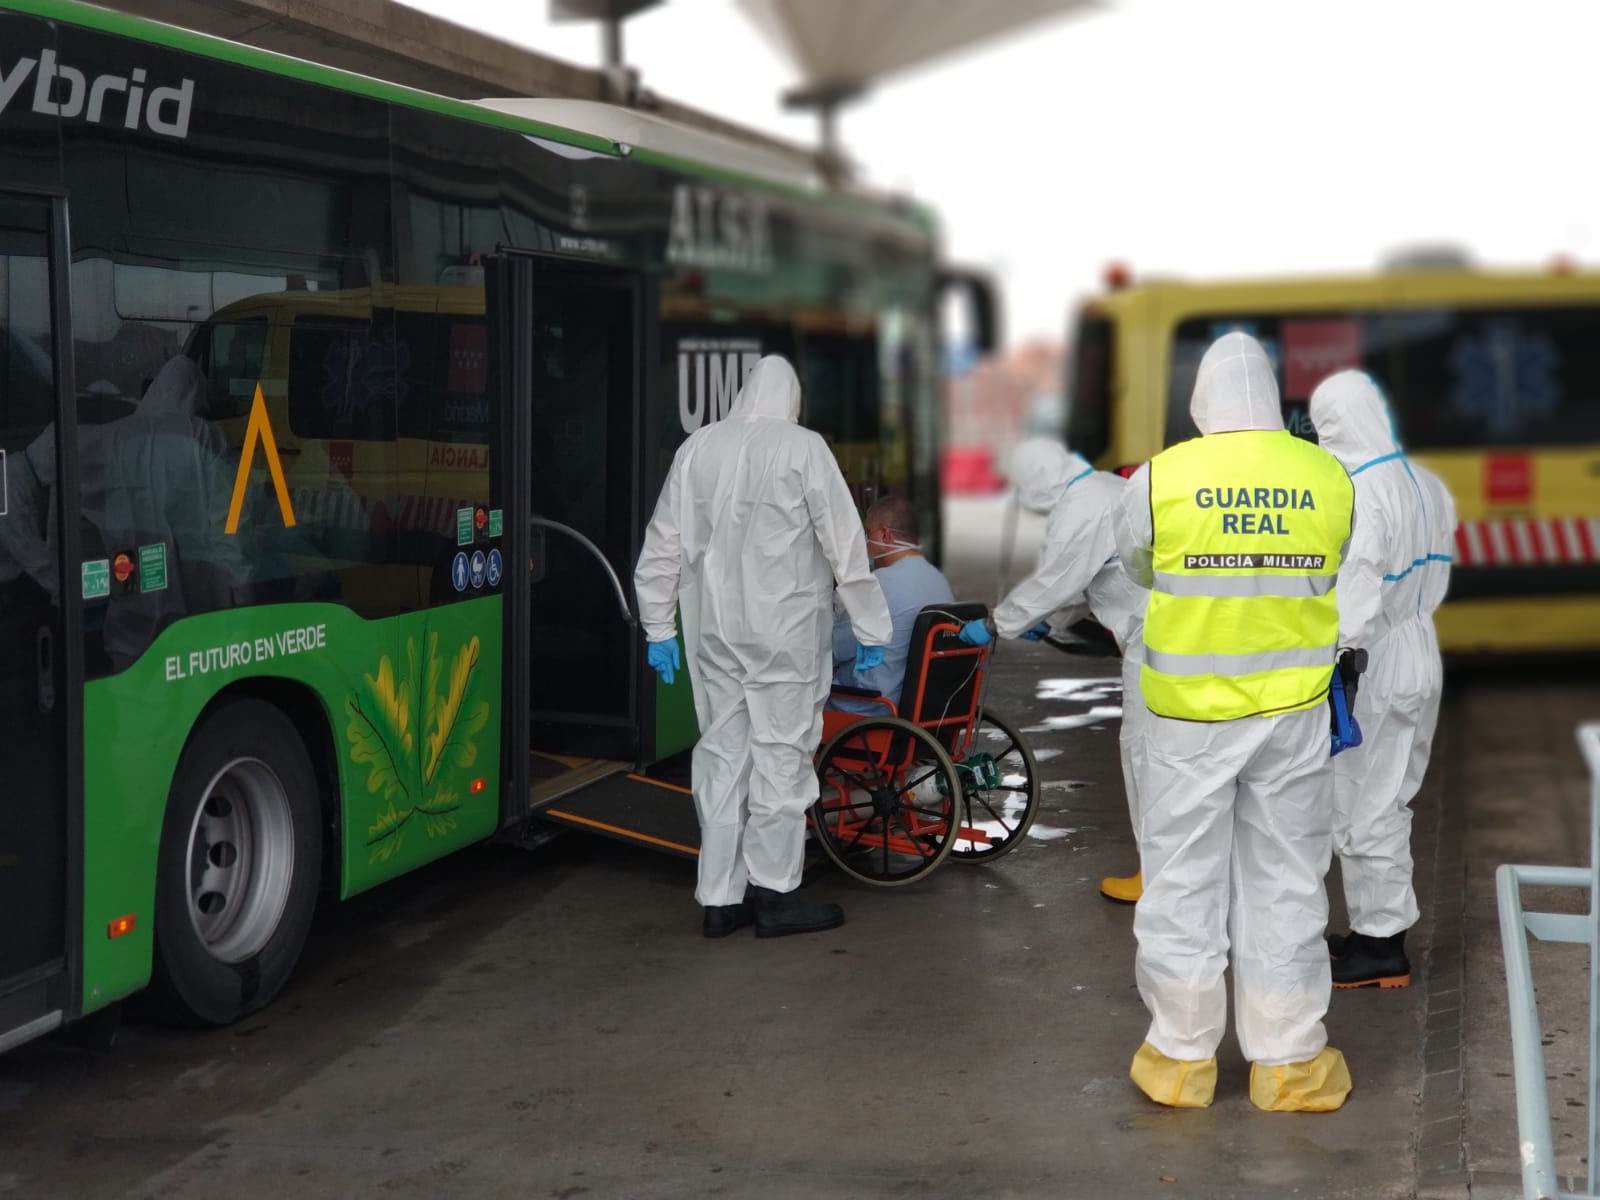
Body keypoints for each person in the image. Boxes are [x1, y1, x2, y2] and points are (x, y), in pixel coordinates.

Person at [1113, 331, 1356, 1112]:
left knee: (1181, 881)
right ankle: (1288, 1065)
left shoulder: (1162, 477)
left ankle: (1181, 1061)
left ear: (1202, 397)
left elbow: (1138, 567)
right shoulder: (1326, 474)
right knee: (1286, 880)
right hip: (1291, 712)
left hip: (1188, 719)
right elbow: (1335, 560)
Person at [633, 355, 892, 940]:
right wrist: (871, 627)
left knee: (721, 760)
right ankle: (775, 895)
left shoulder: (697, 448)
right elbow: (845, 544)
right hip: (785, 636)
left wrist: (658, 628)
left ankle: (720, 899)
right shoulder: (804, 448)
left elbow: (662, 544)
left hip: (715, 634)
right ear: (792, 399)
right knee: (781, 757)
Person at [955, 437, 1149, 903]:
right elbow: (1092, 578)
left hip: (1154, 643)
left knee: (1144, 756)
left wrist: (997, 623)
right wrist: (1051, 622)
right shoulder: (1104, 488)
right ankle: (1172, 870)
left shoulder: (1082, 507)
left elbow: (1057, 580)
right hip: (1167, 631)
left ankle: (1156, 875)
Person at [1310, 370, 1454, 989]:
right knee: (1391, 796)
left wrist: (1331, 658)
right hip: (1419, 645)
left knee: (1363, 804)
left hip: (1377, 660)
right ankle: (1377, 927)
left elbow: (1359, 593)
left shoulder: (1362, 490)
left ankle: (1381, 945)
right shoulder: (1425, 482)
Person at [828, 495, 954, 712]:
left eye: (868, 533)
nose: (866, 545)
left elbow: (835, 648)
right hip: (924, 706)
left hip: (866, 705)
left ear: (885, 535)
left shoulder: (878, 585)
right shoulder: (939, 581)